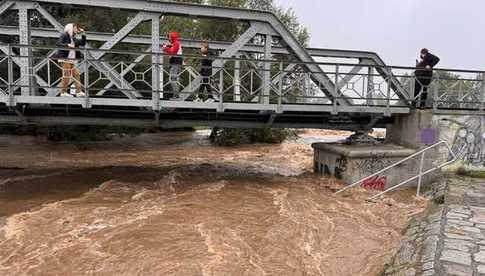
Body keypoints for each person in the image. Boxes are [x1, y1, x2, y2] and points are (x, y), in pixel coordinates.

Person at [56, 23, 86, 97]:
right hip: (65, 58)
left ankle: (78, 92)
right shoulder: (65, 35)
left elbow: (83, 43)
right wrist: (67, 45)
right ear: (70, 29)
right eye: (75, 28)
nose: (76, 30)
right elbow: (58, 43)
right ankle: (63, 92)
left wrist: (83, 34)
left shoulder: (73, 38)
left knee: (76, 74)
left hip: (71, 59)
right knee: (67, 75)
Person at [162, 32, 183, 99]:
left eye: (169, 37)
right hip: (176, 64)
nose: (168, 39)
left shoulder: (176, 43)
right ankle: (176, 95)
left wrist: (165, 48)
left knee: (172, 79)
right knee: (175, 79)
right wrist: (167, 47)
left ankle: (176, 95)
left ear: (172, 37)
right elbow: (173, 50)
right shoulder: (175, 43)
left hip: (175, 64)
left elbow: (173, 52)